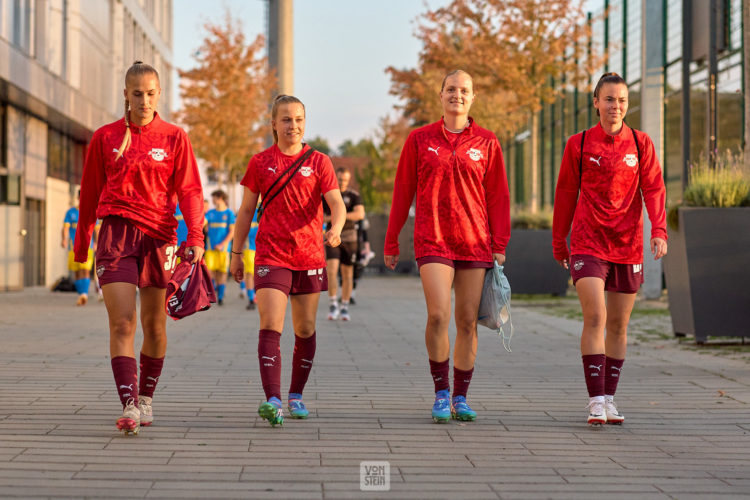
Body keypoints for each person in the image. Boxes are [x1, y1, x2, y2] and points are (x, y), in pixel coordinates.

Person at [74, 61, 204, 435]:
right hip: (116, 237)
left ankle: (147, 396)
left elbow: (191, 191)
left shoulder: (175, 137)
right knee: (122, 321)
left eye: (150, 94)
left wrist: (194, 235)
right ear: (126, 95)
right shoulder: (105, 137)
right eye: (136, 94)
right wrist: (82, 243)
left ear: (159, 94)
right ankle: (129, 403)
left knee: (154, 326)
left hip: (159, 239)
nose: (143, 101)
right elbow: (89, 193)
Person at [384, 70, 511, 423]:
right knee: (438, 315)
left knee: (467, 321)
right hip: (433, 238)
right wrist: (391, 239)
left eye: (464, 90)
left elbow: (499, 195)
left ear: (472, 98)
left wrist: (499, 242)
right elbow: (403, 189)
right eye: (451, 89)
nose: (457, 94)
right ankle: (441, 393)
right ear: (440, 95)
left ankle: (460, 396)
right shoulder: (419, 139)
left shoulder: (487, 142)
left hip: (475, 242)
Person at [552, 72, 668, 426]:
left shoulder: (641, 143)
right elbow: (566, 193)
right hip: (588, 242)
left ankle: (611, 399)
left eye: (621, 100)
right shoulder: (580, 143)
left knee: (618, 325)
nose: (615, 106)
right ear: (596, 102)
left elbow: (654, 189)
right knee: (596, 317)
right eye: (608, 99)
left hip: (628, 245)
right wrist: (560, 241)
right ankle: (595, 400)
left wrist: (659, 230)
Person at [230, 94, 345, 427]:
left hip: (309, 255)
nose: (293, 125)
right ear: (273, 124)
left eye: (298, 119)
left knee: (305, 329)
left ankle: (295, 394)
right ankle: (274, 400)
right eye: (286, 119)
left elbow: (336, 204)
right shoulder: (260, 162)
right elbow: (246, 211)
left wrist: (335, 228)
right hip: (271, 254)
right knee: (270, 324)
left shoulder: (320, 161)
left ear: (304, 123)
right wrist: (236, 255)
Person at [323, 167, 364, 321]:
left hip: (349, 238)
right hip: (332, 237)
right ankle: (333, 304)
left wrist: (338, 214)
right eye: (340, 180)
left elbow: (359, 214)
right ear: (336, 178)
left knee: (347, 273)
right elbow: (320, 216)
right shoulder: (327, 195)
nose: (342, 183)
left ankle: (345, 306)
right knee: (332, 270)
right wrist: (341, 216)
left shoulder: (354, 196)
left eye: (345, 180)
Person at [62, 192, 95, 306]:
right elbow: (65, 228)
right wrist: (64, 239)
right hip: (73, 247)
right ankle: (81, 294)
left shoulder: (91, 211)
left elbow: (97, 229)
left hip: (88, 247)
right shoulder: (70, 212)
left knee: (85, 270)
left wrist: (99, 242)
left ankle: (84, 294)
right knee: (76, 272)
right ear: (78, 198)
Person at [204, 190, 235, 305]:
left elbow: (232, 232)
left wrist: (222, 244)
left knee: (222, 273)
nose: (212, 200)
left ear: (220, 198)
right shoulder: (210, 213)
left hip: (224, 250)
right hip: (210, 249)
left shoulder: (229, 213)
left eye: (214, 198)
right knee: (210, 272)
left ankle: (220, 297)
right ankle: (211, 296)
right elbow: (203, 222)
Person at [241, 207, 259, 310]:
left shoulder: (267, 207)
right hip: (249, 248)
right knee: (249, 273)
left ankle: (258, 294)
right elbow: (241, 230)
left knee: (260, 273)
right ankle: (251, 299)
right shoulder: (248, 209)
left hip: (264, 247)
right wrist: (239, 250)